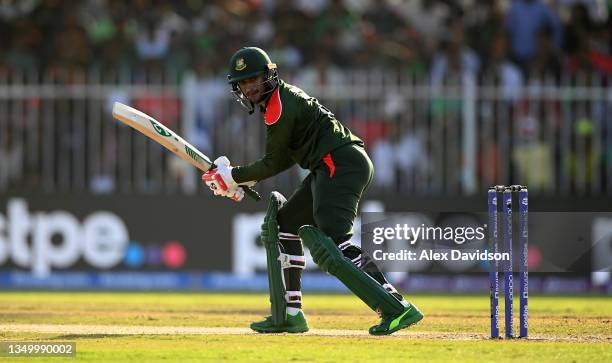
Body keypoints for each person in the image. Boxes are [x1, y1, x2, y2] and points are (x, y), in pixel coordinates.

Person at [202, 47, 423, 335]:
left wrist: (233, 176)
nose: (249, 87)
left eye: (254, 79)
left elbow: (273, 163)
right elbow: (282, 159)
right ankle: (290, 315)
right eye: (243, 83)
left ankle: (397, 306)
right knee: (285, 226)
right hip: (329, 165)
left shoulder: (280, 105)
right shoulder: (278, 102)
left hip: (339, 163)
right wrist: (237, 180)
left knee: (335, 244)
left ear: (269, 75)